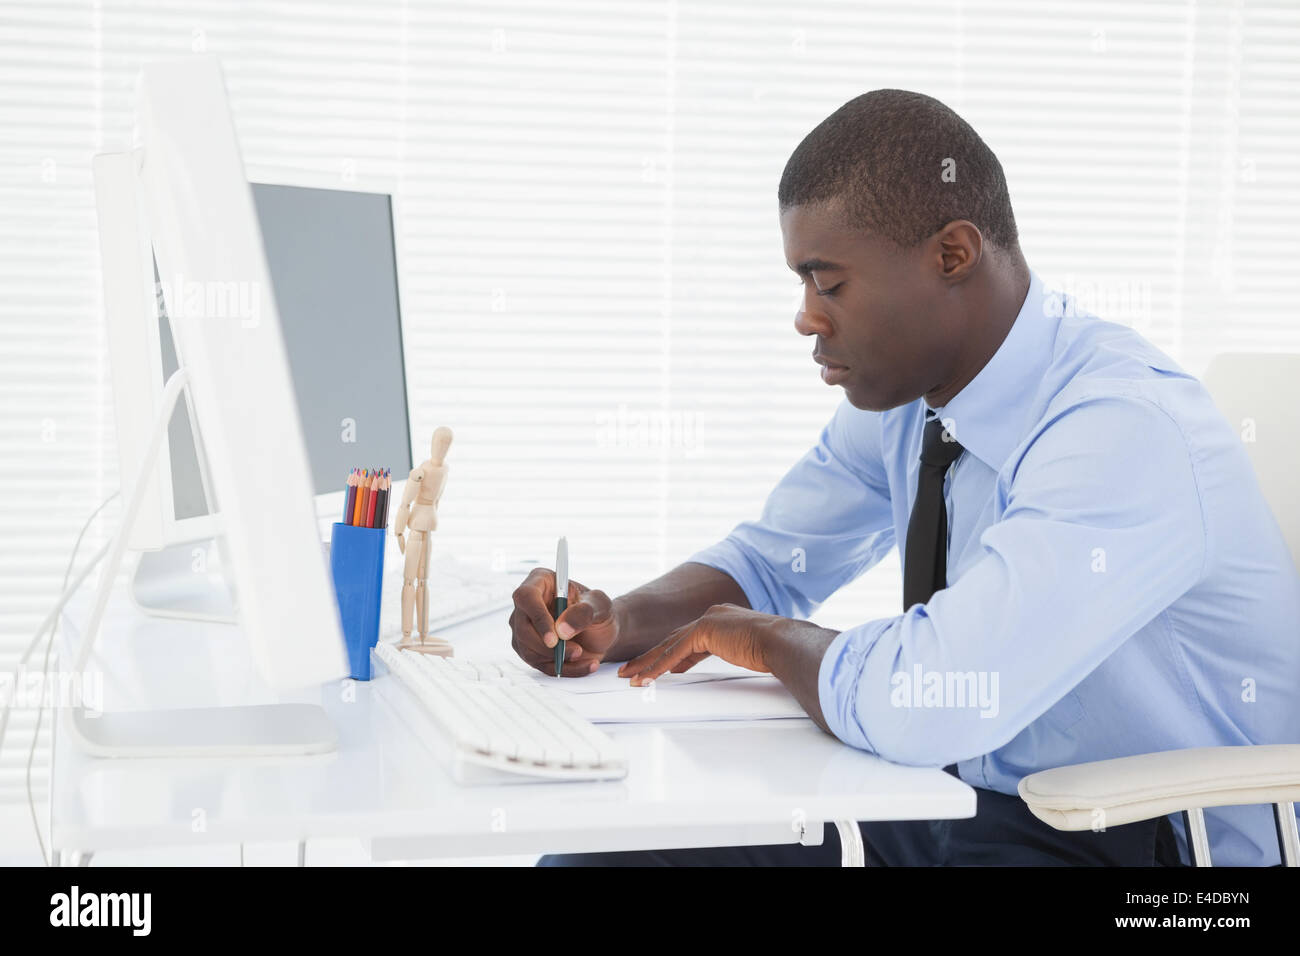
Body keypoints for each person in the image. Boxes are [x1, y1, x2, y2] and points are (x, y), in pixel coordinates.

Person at [509, 89, 1300, 866]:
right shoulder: (909, 397)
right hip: (965, 802)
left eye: (829, 281)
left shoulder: (1120, 430)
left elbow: (933, 694)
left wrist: (768, 640)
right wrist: (614, 623)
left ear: (951, 255)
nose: (806, 316)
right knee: (603, 862)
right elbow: (771, 561)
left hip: (1152, 852)